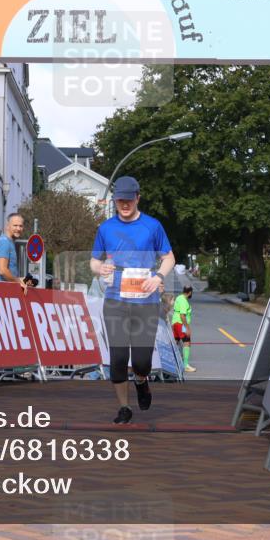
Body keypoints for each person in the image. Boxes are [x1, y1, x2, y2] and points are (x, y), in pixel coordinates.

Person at [90, 176, 176, 424]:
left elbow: (169, 257)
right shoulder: (105, 228)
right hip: (115, 300)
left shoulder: (153, 226)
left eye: (129, 200)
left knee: (141, 360)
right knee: (117, 358)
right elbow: (94, 260)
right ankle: (124, 407)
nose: (124, 204)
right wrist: (100, 269)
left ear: (138, 197)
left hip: (146, 302)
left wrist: (158, 276)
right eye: (120, 200)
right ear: (115, 200)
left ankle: (141, 380)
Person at [0, 212, 27, 294]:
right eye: (15, 225)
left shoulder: (10, 242)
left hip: (7, 290)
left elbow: (9, 271)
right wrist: (19, 282)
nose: (18, 229)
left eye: (20, 226)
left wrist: (23, 280)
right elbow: (3, 271)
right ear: (7, 226)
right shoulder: (4, 242)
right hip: (2, 291)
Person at [172, 286, 196, 372]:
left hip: (175, 323)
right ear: (190, 292)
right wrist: (187, 328)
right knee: (187, 342)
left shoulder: (179, 297)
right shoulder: (184, 301)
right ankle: (185, 365)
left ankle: (171, 363)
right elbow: (182, 315)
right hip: (180, 324)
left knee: (176, 342)